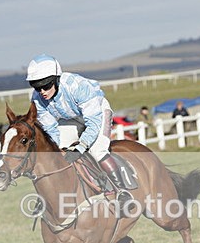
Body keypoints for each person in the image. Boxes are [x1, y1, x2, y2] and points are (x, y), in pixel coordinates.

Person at [26, 53, 131, 199]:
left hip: (97, 114)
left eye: (46, 86)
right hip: (71, 118)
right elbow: (50, 129)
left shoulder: (77, 86)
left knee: (97, 150)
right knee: (59, 153)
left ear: (56, 79)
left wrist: (80, 148)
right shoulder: (37, 98)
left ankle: (122, 190)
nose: (42, 91)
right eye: (37, 87)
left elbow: (93, 123)